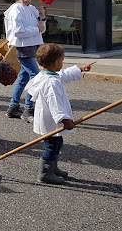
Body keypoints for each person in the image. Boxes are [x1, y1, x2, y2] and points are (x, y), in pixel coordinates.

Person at [25, 44, 93, 184]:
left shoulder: (45, 75)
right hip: (51, 120)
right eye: (62, 61)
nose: (62, 63)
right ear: (55, 63)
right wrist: (64, 119)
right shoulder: (51, 83)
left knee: (57, 143)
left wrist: (79, 69)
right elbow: (55, 103)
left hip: (47, 119)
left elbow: (62, 75)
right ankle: (45, 172)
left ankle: (52, 168)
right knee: (51, 146)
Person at [4, 0, 46, 122]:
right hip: (22, 47)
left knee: (24, 77)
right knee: (35, 76)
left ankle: (13, 107)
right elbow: (18, 31)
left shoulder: (33, 9)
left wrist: (42, 18)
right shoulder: (15, 10)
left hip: (32, 45)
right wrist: (37, 29)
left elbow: (41, 28)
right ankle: (29, 109)